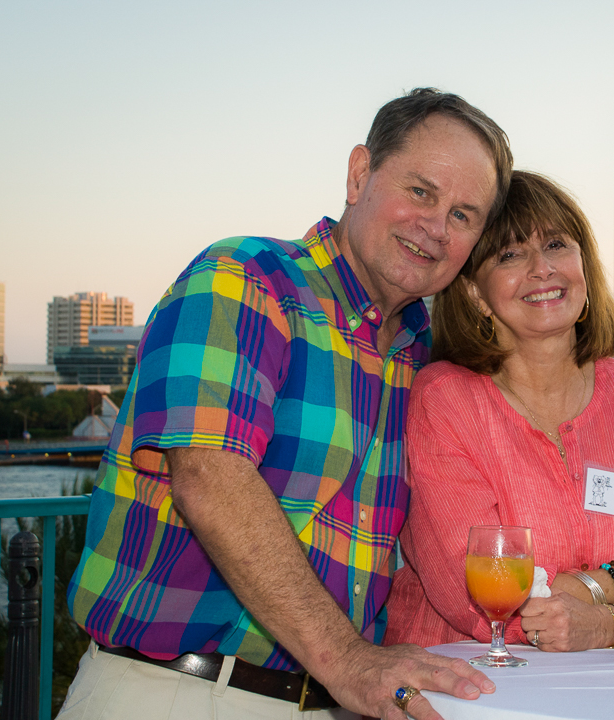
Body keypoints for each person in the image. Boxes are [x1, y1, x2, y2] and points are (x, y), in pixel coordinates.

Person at [60, 88, 513, 720]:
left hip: (337, 701)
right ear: (359, 174)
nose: (436, 228)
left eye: (463, 215)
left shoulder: (421, 355)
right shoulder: (245, 279)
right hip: (178, 694)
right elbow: (211, 478)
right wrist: (349, 660)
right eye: (420, 191)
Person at [382, 170, 614, 652]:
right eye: (510, 255)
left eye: (557, 245)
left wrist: (601, 601)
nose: (542, 269)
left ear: (585, 266)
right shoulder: (446, 400)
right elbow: (481, 591)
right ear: (475, 293)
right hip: (473, 679)